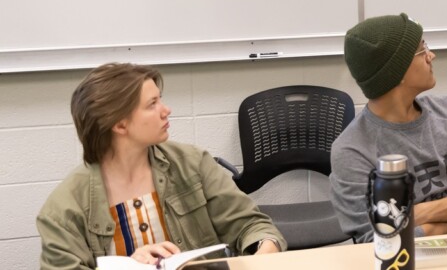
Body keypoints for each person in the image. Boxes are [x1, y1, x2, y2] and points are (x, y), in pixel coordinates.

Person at [37, 63, 284, 270]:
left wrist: (264, 249)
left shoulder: (192, 163)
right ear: (120, 125)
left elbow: (252, 226)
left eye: (160, 100)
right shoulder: (64, 210)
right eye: (152, 104)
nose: (166, 111)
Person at [329, 13, 447, 243]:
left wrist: (416, 214)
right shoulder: (352, 150)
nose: (431, 55)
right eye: (422, 49)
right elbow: (380, 243)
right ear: (396, 72)